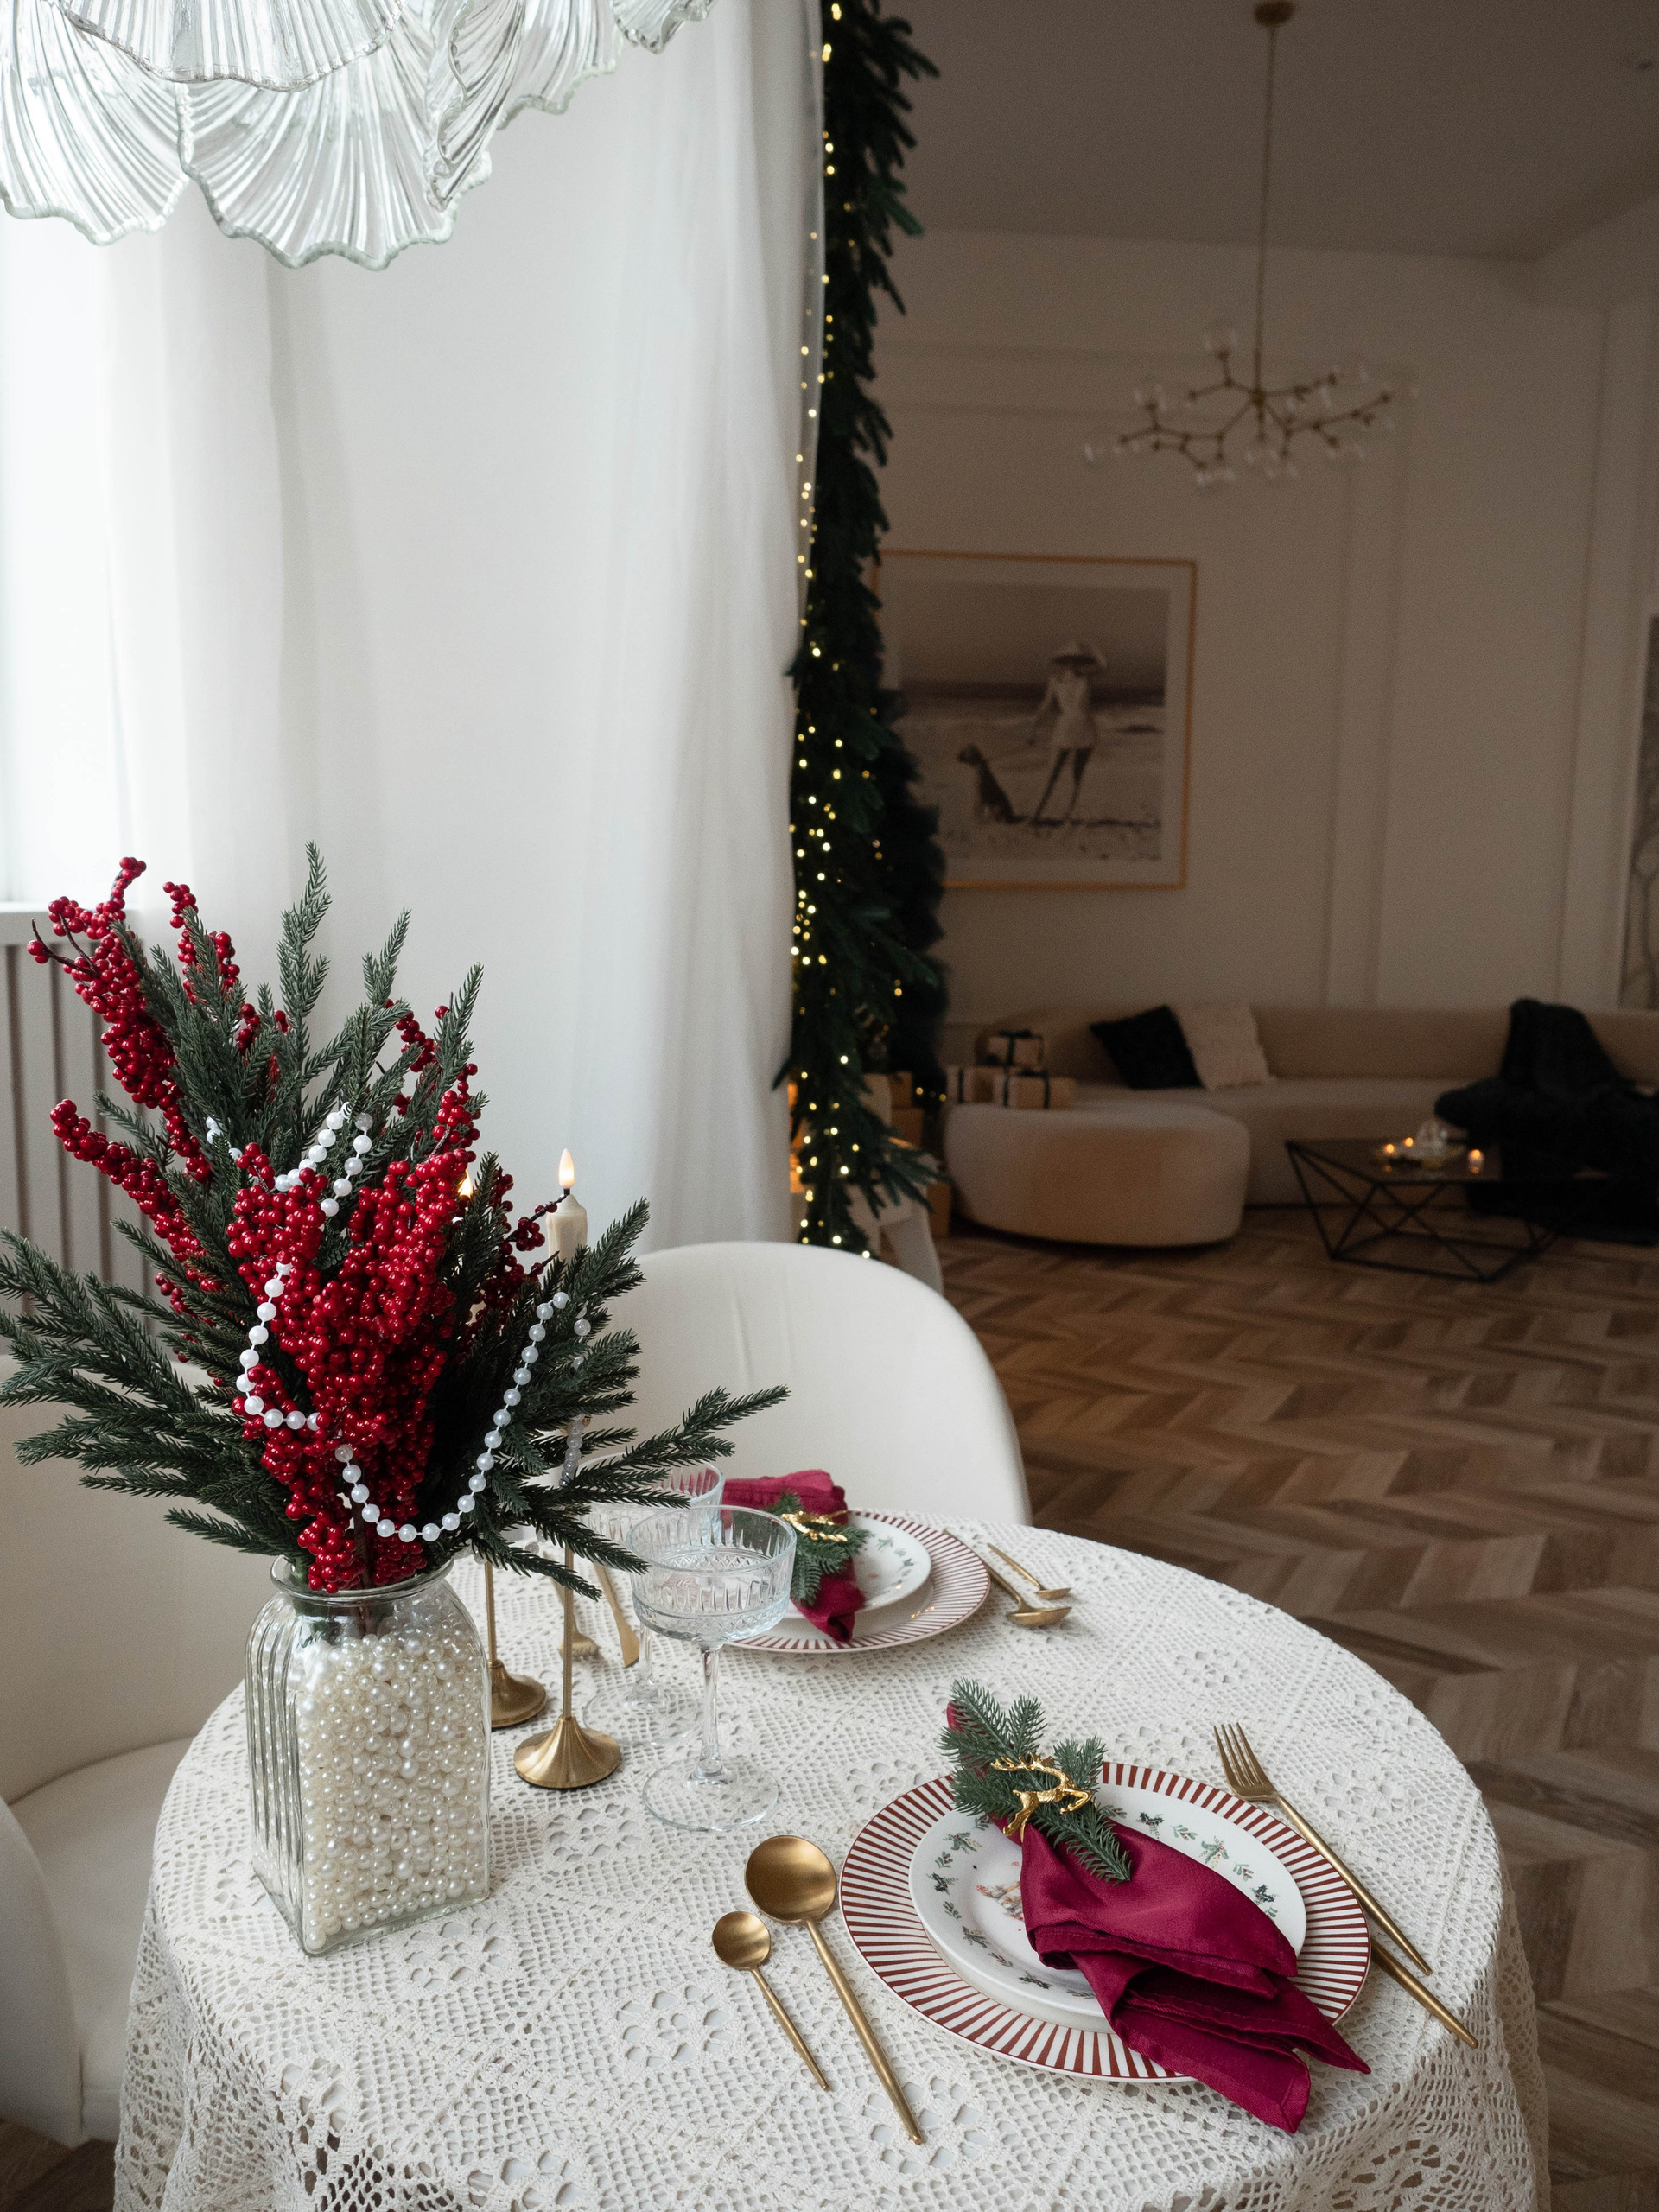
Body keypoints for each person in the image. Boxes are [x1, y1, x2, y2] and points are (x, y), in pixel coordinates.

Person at [1030, 641, 1103, 825]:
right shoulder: (1055, 680)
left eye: (1076, 659)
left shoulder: (1086, 679)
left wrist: (1094, 649)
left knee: (1077, 775)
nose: (1072, 662)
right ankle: (1035, 816)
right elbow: (1046, 704)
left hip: (1085, 727)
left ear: (1080, 661)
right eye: (1069, 659)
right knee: (1051, 773)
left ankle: (1067, 816)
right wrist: (1034, 725)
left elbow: (1104, 665)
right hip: (1065, 727)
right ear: (1063, 661)